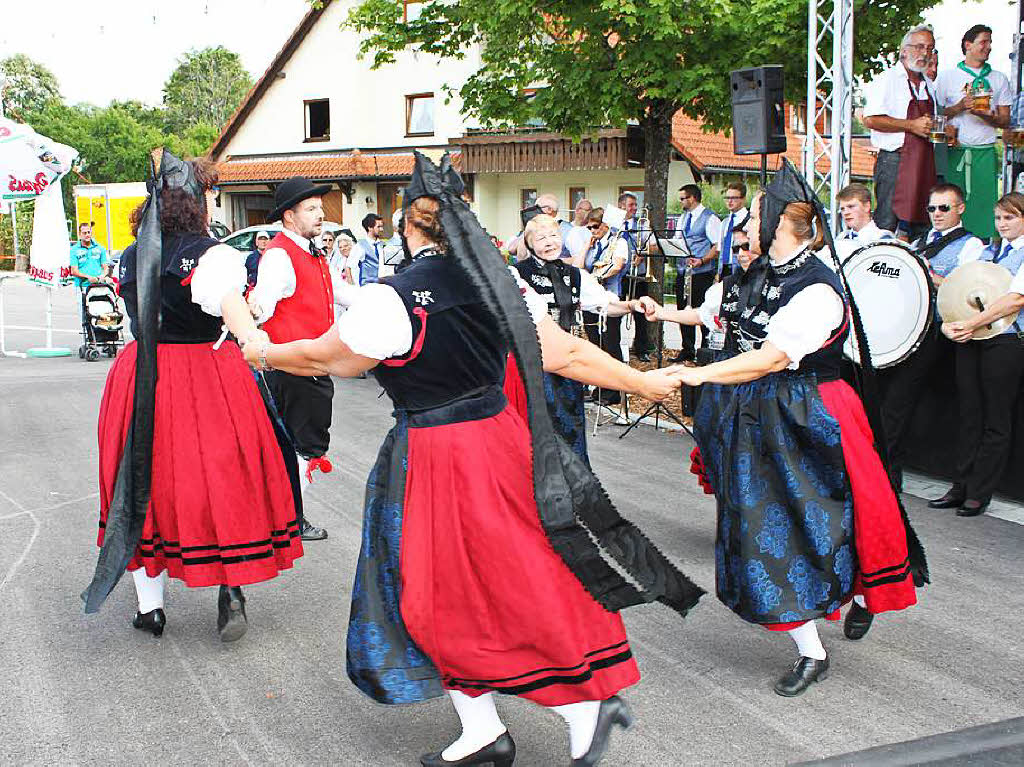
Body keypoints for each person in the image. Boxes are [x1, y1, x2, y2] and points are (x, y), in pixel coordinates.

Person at [242, 153, 702, 766]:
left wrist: (265, 351)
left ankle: (576, 706)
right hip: (501, 439)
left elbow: (332, 358)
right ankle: (486, 727)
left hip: (437, 454)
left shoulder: (392, 299)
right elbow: (566, 354)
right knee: (503, 571)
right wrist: (642, 383)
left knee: (455, 586)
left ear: (410, 227)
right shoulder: (500, 284)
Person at [638, 161, 925, 696]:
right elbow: (723, 318)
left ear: (784, 229)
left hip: (811, 415)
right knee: (769, 528)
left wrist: (694, 373)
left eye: (757, 223)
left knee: (828, 521)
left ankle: (850, 607)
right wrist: (670, 320)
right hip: (763, 415)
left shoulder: (816, 290)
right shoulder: (766, 275)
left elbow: (770, 358)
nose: (746, 231)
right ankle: (821, 636)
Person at [82, 153, 303, 642]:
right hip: (205, 373)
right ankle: (230, 587)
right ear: (196, 204)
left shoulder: (131, 253)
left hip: (140, 373)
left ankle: (150, 609)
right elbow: (229, 308)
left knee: (142, 480)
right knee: (221, 475)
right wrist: (255, 338)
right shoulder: (211, 255)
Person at [248, 178, 344, 542]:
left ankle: (285, 516)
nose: (321, 214)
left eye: (320, 207)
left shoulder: (310, 250)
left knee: (301, 443)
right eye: (311, 209)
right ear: (289, 217)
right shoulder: (279, 254)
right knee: (297, 444)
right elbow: (263, 305)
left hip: (311, 364)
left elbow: (341, 293)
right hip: (291, 367)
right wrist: (252, 318)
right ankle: (288, 520)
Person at [508, 213, 638, 463]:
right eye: (541, 237)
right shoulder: (515, 274)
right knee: (530, 435)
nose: (549, 242)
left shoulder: (575, 275)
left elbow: (603, 304)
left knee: (569, 432)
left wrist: (631, 306)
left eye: (554, 235)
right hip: (529, 367)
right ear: (530, 242)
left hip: (567, 366)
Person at [881, 183, 985, 489]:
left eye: (944, 208)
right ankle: (889, 471)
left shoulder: (971, 245)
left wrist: (928, 275)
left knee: (904, 404)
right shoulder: (918, 242)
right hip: (910, 328)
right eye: (932, 208)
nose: (936, 214)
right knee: (893, 403)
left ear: (960, 209)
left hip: (944, 334)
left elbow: (964, 290)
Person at [935, 193, 1024, 517]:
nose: (1003, 224)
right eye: (999, 218)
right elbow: (960, 292)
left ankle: (979, 492)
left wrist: (969, 322)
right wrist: (954, 325)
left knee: (995, 419)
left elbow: (1015, 300)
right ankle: (961, 486)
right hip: (974, 338)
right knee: (970, 414)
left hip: (1007, 341)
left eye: (1010, 218)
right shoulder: (989, 251)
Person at [936, 24, 1011, 240]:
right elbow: (936, 116)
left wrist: (985, 114)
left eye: (989, 42)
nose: (988, 47)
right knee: (953, 203)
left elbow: (1005, 121)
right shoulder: (948, 77)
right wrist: (959, 107)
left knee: (984, 203)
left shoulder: (999, 78)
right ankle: (950, 244)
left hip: (985, 151)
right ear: (968, 45)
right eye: (983, 42)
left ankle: (984, 246)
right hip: (955, 152)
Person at [863, 24, 938, 240]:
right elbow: (871, 119)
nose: (925, 53)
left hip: (923, 162)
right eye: (919, 47)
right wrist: (911, 125)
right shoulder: (887, 80)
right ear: (904, 51)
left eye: (930, 48)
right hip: (895, 161)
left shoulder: (928, 84)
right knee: (887, 223)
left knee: (921, 223)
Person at [581, 207, 630, 405]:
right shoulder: (594, 244)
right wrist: (586, 246)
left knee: (610, 343)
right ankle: (599, 387)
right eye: (589, 228)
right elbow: (580, 265)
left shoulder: (619, 242)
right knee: (595, 343)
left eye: (595, 227)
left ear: (605, 225)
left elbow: (617, 265)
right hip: (591, 298)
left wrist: (597, 277)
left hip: (610, 296)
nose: (592, 231)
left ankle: (613, 390)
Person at [672, 184, 722, 362]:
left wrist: (702, 260)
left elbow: (717, 246)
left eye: (683, 198)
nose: (681, 202)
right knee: (683, 310)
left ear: (692, 198)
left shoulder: (709, 218)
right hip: (683, 272)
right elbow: (678, 240)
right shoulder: (683, 217)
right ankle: (687, 349)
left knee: (703, 310)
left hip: (701, 273)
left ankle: (705, 350)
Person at [618, 192, 655, 362]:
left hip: (637, 274)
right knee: (616, 312)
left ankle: (641, 348)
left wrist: (643, 253)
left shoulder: (643, 224)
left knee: (640, 313)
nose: (634, 208)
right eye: (630, 205)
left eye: (635, 205)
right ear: (621, 206)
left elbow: (653, 246)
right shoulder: (614, 224)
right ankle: (615, 346)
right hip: (618, 275)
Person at [833, 184, 895, 260]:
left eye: (851, 207)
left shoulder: (883, 238)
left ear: (867, 206)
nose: (846, 213)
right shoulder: (841, 238)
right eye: (842, 209)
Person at [715, 183, 750, 280]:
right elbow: (720, 249)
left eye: (734, 198)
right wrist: (718, 271)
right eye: (727, 198)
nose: (729, 201)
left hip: (741, 268)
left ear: (743, 199)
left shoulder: (749, 220)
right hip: (725, 269)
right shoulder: (725, 222)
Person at [70, 222, 110, 288]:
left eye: (89, 232)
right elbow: (74, 271)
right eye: (84, 233)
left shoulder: (100, 248)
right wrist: (88, 277)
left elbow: (106, 268)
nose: (87, 235)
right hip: (82, 287)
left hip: (98, 285)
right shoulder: (74, 250)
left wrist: (102, 276)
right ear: (80, 234)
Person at [350, 213, 387, 285]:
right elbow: (349, 266)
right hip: (367, 287)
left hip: (383, 286)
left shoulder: (383, 245)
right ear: (370, 228)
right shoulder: (360, 246)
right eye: (378, 227)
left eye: (382, 227)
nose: (381, 229)